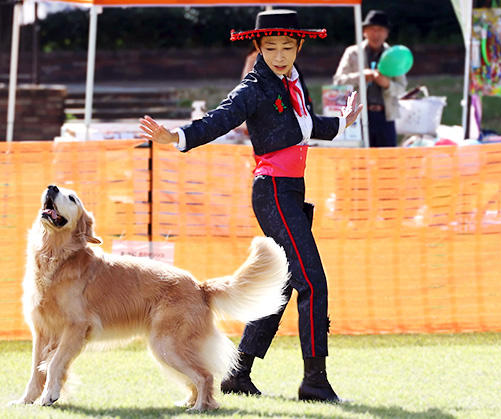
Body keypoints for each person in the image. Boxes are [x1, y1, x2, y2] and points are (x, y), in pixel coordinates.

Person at [139, 9, 362, 403]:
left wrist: (343, 123)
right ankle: (315, 382)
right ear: (257, 46)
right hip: (272, 191)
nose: (279, 54)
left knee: (287, 282)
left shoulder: (292, 79)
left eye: (288, 47)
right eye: (271, 47)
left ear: (299, 46)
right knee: (312, 282)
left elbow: (304, 126)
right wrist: (177, 136)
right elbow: (221, 118)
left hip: (291, 190)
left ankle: (238, 375)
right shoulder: (255, 86)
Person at [333, 9, 407, 147]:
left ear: (387, 33)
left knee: (387, 161)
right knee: (360, 160)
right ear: (364, 31)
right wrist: (361, 76)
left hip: (385, 116)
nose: (376, 34)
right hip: (358, 117)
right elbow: (338, 81)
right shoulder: (353, 53)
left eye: (380, 30)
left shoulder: (394, 56)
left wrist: (387, 84)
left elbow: (401, 88)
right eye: (372, 29)